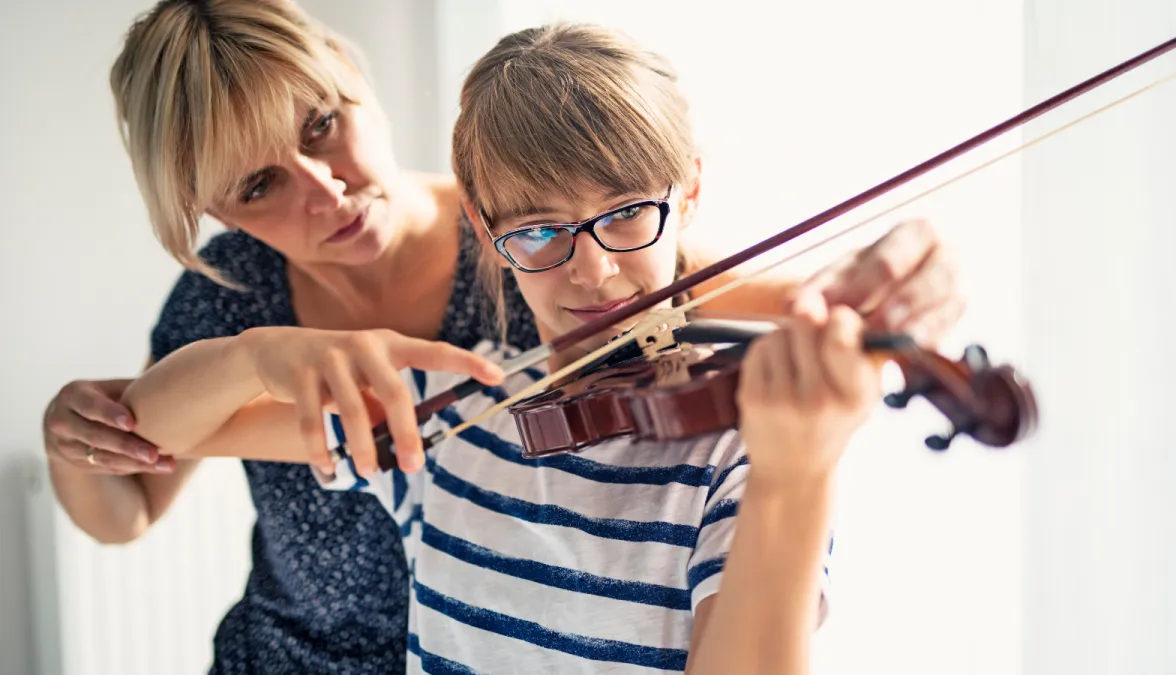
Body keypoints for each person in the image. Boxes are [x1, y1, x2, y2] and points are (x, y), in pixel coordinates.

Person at [39, 2, 963, 673]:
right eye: (258, 186)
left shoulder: (551, 237)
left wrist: (891, 297)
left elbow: (702, 276)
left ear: (354, 77)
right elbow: (134, 471)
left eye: (323, 125)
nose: (324, 190)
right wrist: (247, 361)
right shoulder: (285, 328)